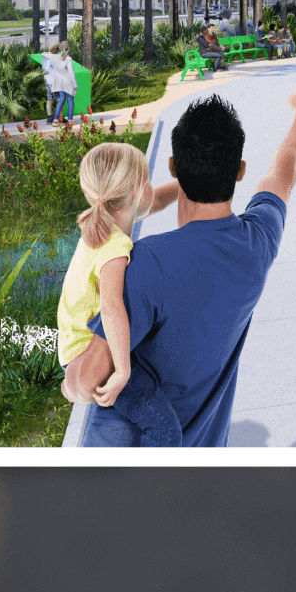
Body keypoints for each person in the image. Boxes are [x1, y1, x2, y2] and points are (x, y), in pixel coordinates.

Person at [80, 72, 296, 446]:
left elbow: (87, 380)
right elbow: (287, 169)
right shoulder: (258, 242)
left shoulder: (146, 262)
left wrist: (71, 382)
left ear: (172, 167)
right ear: (240, 171)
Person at [54, 142, 184, 407]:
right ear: (138, 193)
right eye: (147, 180)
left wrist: (187, 183)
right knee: (163, 424)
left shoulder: (104, 221)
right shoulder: (114, 246)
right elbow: (111, 307)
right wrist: (122, 372)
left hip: (70, 343)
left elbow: (156, 200)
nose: (151, 187)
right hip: (83, 351)